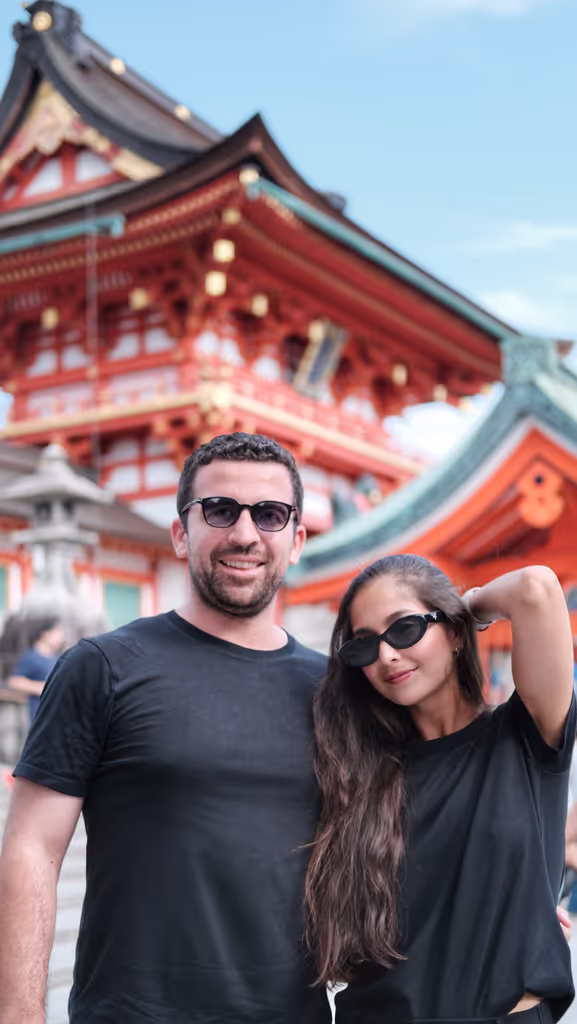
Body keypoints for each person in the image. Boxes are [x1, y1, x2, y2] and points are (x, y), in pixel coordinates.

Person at [0, 433, 331, 1024]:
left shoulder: (335, 692)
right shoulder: (102, 667)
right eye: (220, 510)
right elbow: (32, 847)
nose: (245, 534)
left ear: (297, 539)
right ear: (181, 533)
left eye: (271, 515)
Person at [306, 554, 575, 1024]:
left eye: (405, 628)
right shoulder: (358, 776)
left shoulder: (522, 737)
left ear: (453, 633)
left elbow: (535, 588)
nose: (386, 655)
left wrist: (465, 608)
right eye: (364, 646)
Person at [8, 618, 64, 722]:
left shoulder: (56, 657)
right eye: (57, 634)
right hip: (40, 714)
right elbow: (14, 681)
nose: (60, 638)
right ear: (45, 634)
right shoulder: (31, 656)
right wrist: (40, 687)